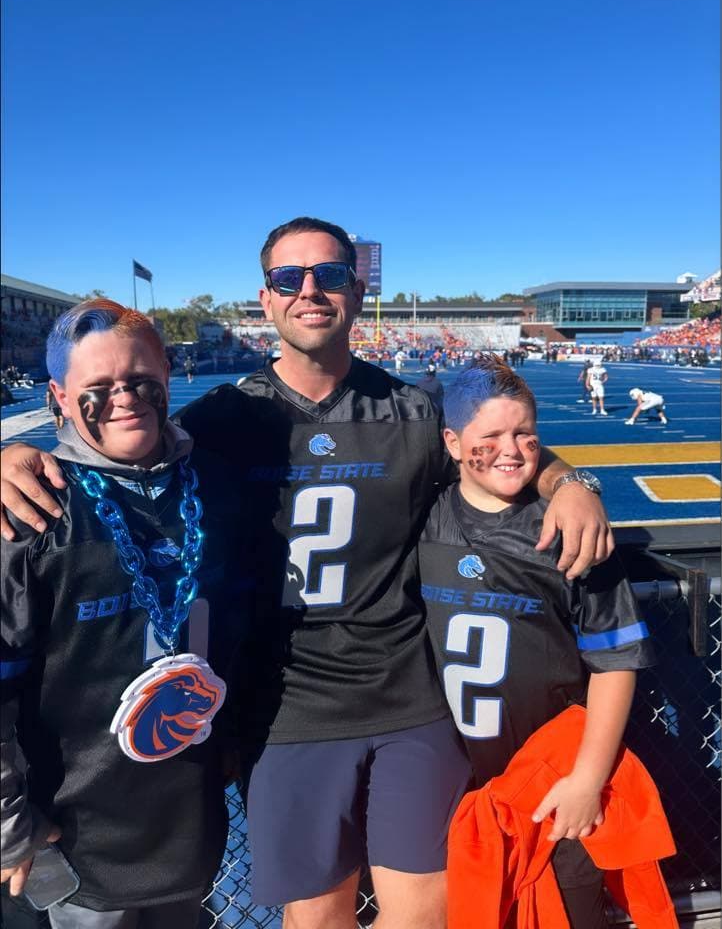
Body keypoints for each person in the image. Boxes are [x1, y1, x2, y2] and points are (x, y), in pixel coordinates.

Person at [0, 217, 613, 929]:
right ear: (266, 298)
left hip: (407, 696)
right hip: (284, 705)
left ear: (357, 288)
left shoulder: (415, 411)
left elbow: (504, 451)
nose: (309, 290)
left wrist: (571, 482)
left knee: (428, 913)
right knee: (317, 917)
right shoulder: (221, 421)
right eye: (289, 278)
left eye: (328, 274)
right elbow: (108, 448)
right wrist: (19, 457)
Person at [1, 301, 250, 929]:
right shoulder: (31, 514)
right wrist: (11, 829)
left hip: (190, 824)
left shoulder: (218, 485)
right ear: (58, 396)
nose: (125, 399)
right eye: (98, 388)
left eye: (140, 379)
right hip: (79, 838)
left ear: (167, 372)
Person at [418, 359, 656, 928]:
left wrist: (587, 780)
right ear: (452, 443)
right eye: (491, 437)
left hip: (554, 776)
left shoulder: (567, 532)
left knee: (570, 909)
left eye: (527, 434)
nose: (513, 449)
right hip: (457, 780)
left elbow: (616, 661)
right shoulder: (423, 518)